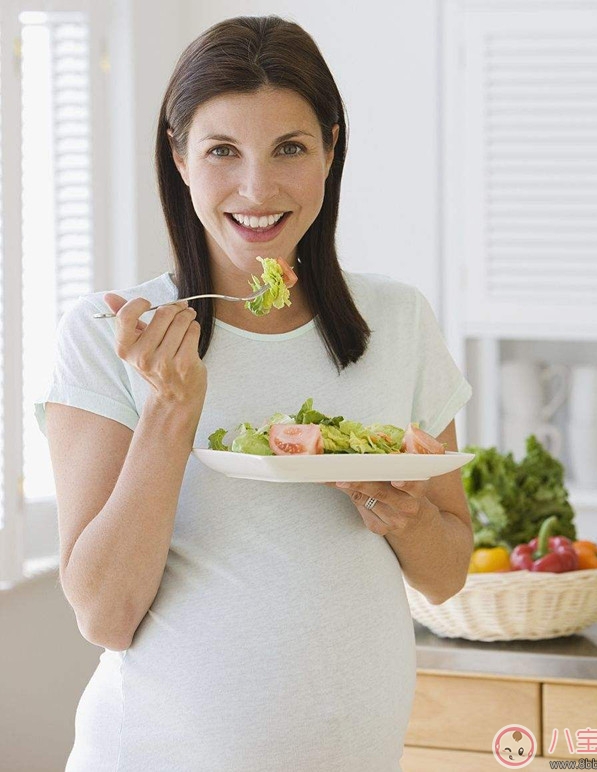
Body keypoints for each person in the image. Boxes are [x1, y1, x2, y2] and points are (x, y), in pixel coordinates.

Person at [35, 15, 474, 772]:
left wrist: (400, 513)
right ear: (178, 158)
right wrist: (170, 411)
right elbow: (106, 616)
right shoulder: (111, 335)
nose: (257, 189)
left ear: (332, 150)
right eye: (221, 152)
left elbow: (446, 572)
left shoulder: (396, 322)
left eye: (290, 149)